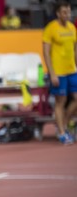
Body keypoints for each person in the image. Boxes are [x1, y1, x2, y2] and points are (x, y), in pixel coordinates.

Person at [43, 0, 76, 145]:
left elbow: (74, 48)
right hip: (59, 71)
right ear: (58, 13)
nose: (67, 14)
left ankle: (63, 124)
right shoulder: (51, 28)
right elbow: (46, 52)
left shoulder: (72, 27)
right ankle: (62, 133)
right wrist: (52, 73)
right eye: (64, 12)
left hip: (72, 69)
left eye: (68, 12)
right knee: (60, 102)